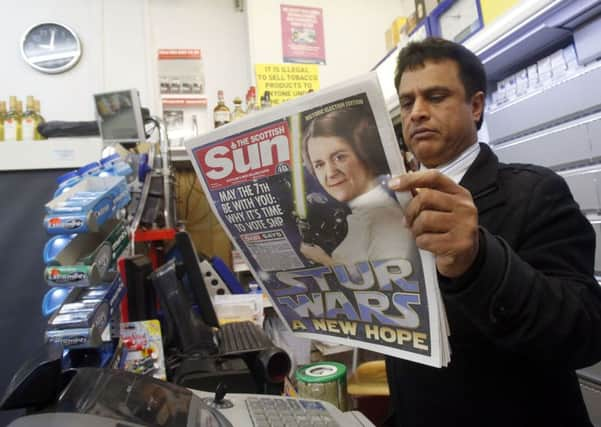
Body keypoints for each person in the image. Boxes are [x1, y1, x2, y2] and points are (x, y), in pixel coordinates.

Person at [385, 37, 601, 426]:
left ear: (477, 106)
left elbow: (585, 331)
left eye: (435, 97)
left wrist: (479, 262)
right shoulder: (388, 206)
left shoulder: (535, 192)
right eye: (406, 102)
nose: (416, 113)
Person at [299, 106, 419, 269]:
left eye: (339, 157)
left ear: (365, 154)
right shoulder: (362, 214)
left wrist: (324, 261)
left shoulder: (386, 219)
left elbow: (393, 285)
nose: (330, 173)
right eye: (319, 164)